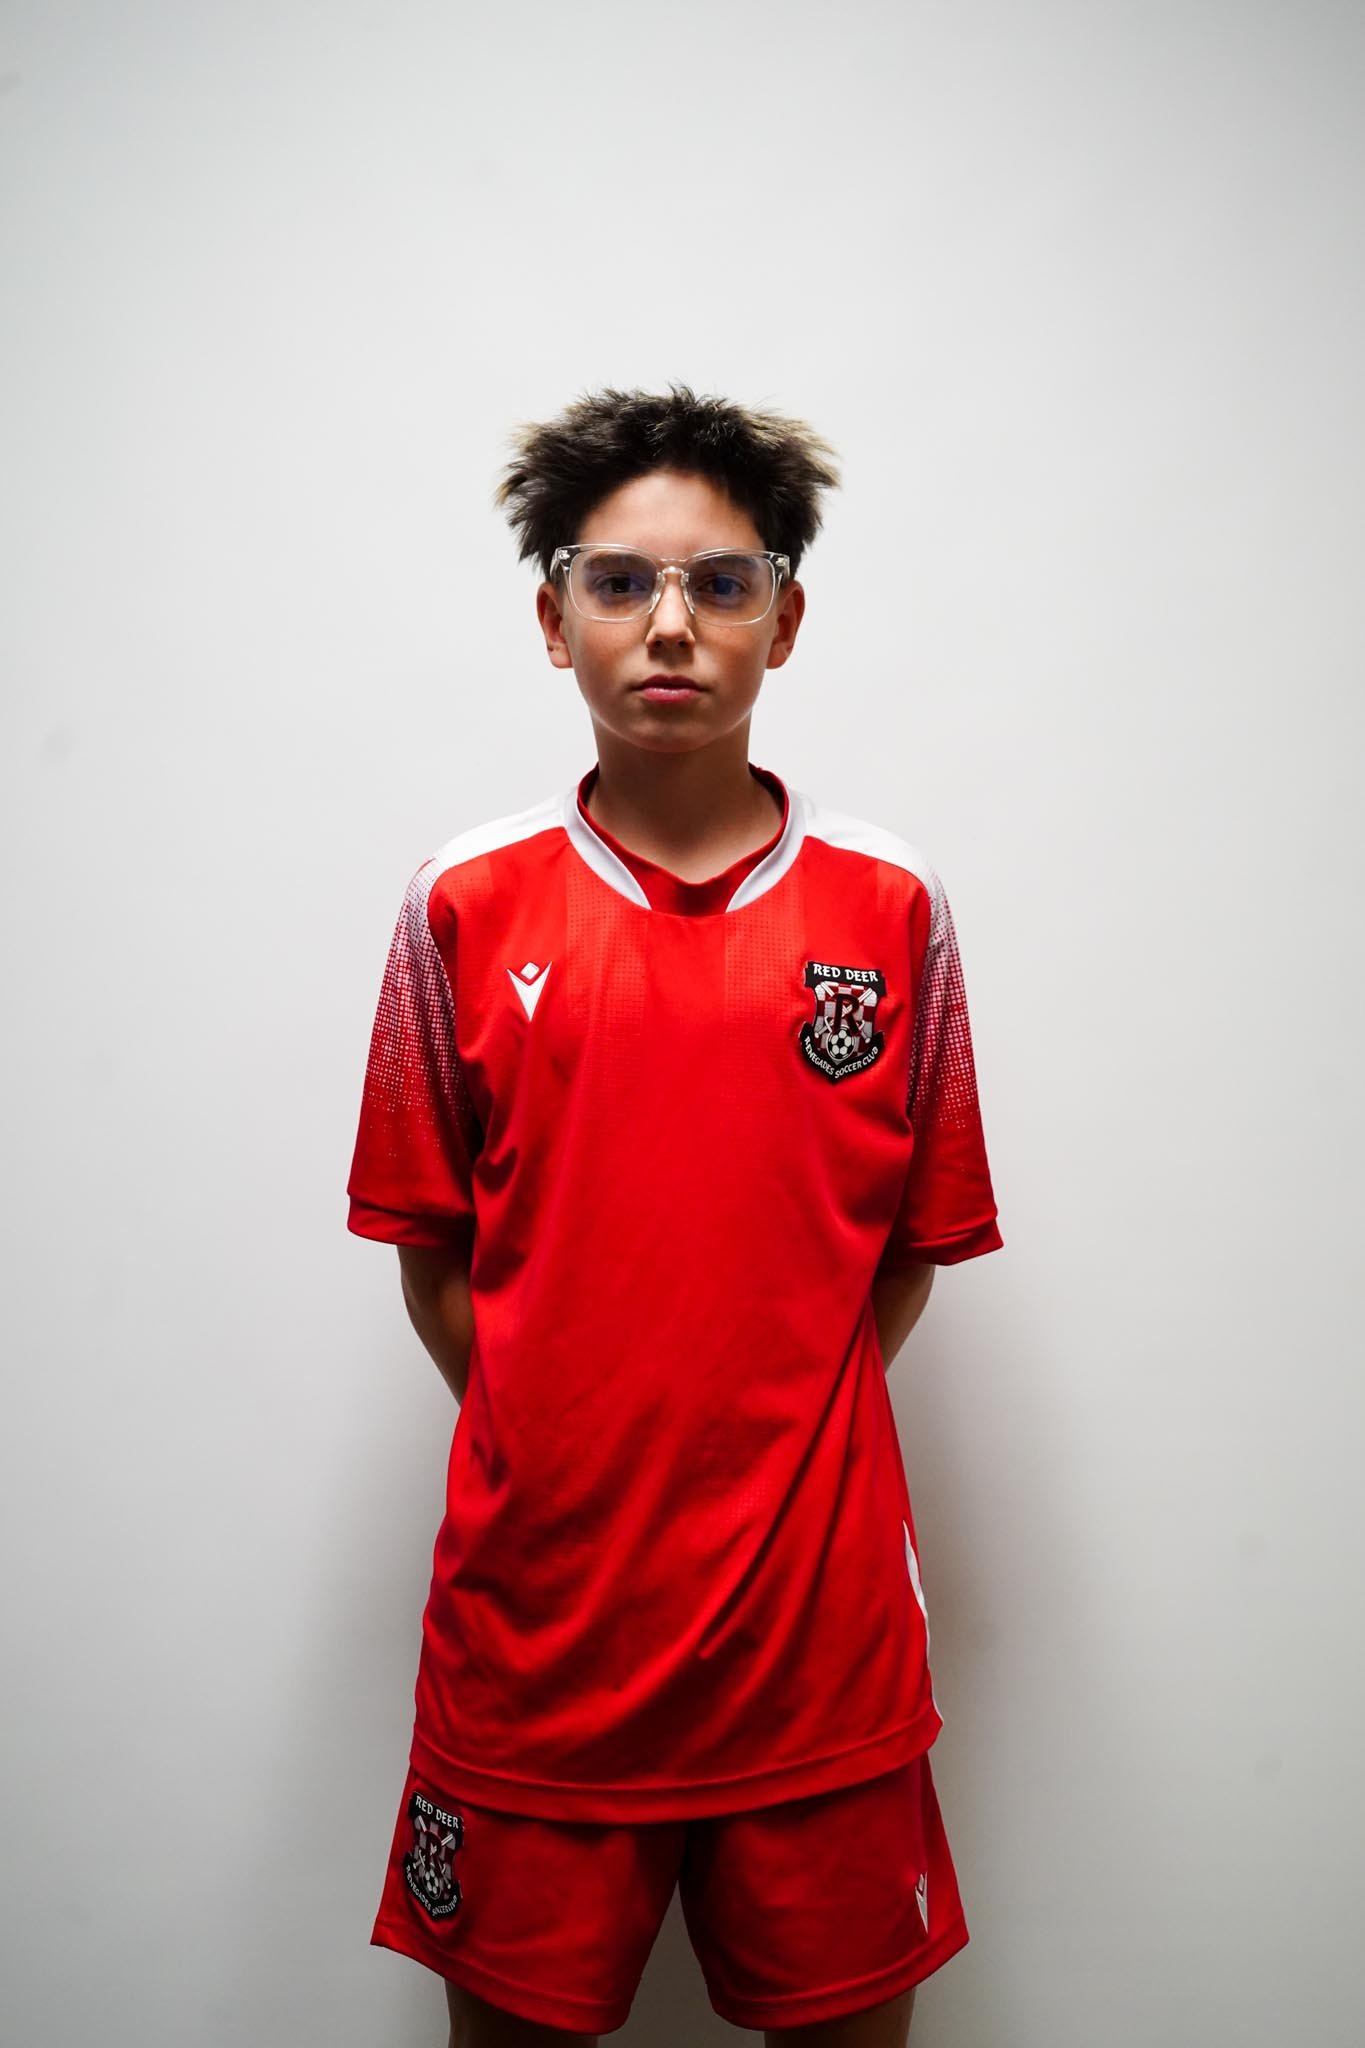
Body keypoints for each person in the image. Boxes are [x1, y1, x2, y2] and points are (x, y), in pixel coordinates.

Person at [346, 381, 1004, 2048]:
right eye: (619, 578)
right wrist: (565, 1443)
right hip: (541, 1643)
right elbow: (436, 1262)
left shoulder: (890, 907)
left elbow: (904, 1251)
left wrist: (766, 1438)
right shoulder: (463, 904)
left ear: (784, 621)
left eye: (721, 582)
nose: (669, 624)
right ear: (550, 615)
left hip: (818, 1649)